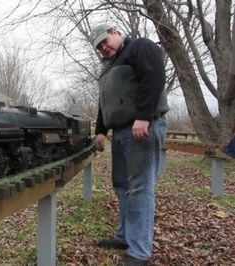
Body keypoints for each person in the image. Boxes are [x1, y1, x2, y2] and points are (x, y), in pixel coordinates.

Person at [89, 23, 169, 265]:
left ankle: (139, 252)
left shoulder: (140, 47)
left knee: (139, 188)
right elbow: (106, 103)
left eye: (105, 41)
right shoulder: (108, 68)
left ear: (115, 32)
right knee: (122, 186)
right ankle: (125, 237)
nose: (103, 47)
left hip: (142, 128)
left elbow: (154, 76)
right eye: (99, 47)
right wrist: (101, 131)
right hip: (121, 132)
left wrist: (143, 116)